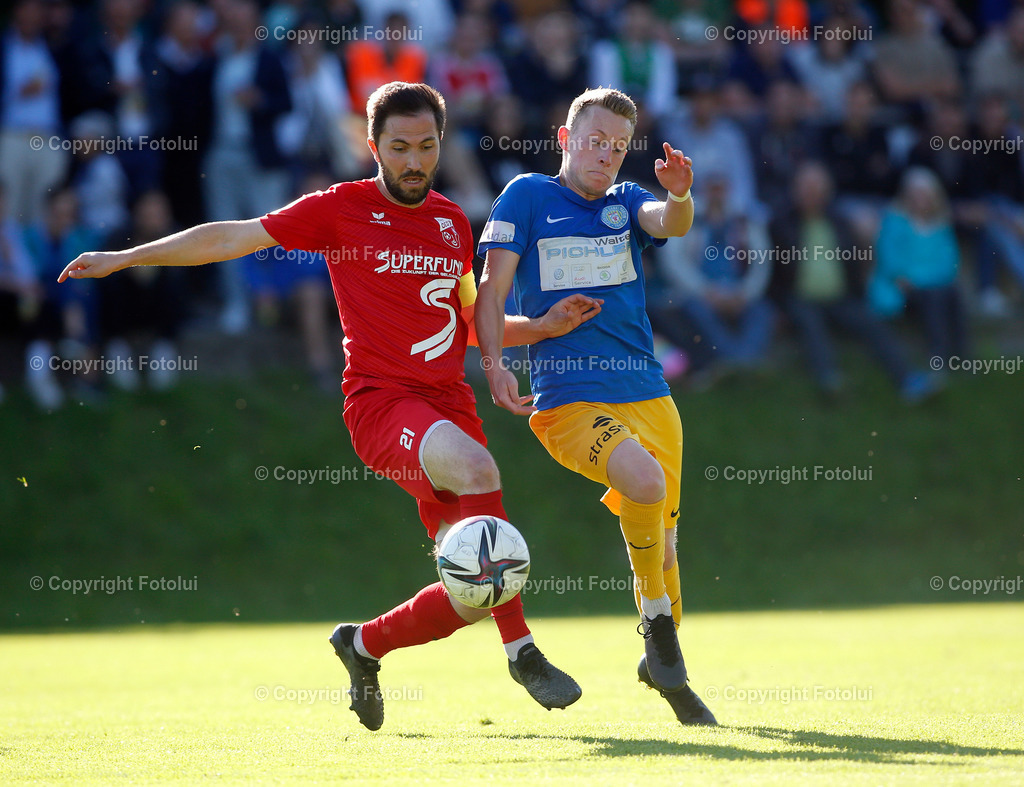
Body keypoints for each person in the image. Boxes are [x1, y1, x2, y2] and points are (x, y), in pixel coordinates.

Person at [60, 81, 597, 731]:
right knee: (482, 474)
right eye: (398, 147)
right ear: (372, 147)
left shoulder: (453, 221)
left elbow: (463, 316)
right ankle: (523, 653)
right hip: (382, 406)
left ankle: (362, 644)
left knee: (475, 591)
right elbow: (236, 236)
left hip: (447, 406)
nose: (413, 160)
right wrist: (126, 257)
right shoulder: (341, 210)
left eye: (426, 146)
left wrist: (538, 326)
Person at [475, 87, 717, 726]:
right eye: (595, 140)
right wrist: (500, 360)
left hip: (651, 396)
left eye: (617, 146)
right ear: (565, 137)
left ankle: (661, 662)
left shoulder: (628, 200)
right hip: (569, 403)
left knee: (664, 543)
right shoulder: (526, 197)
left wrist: (681, 194)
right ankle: (660, 635)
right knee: (644, 481)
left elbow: (670, 223)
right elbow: (490, 295)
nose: (605, 155)